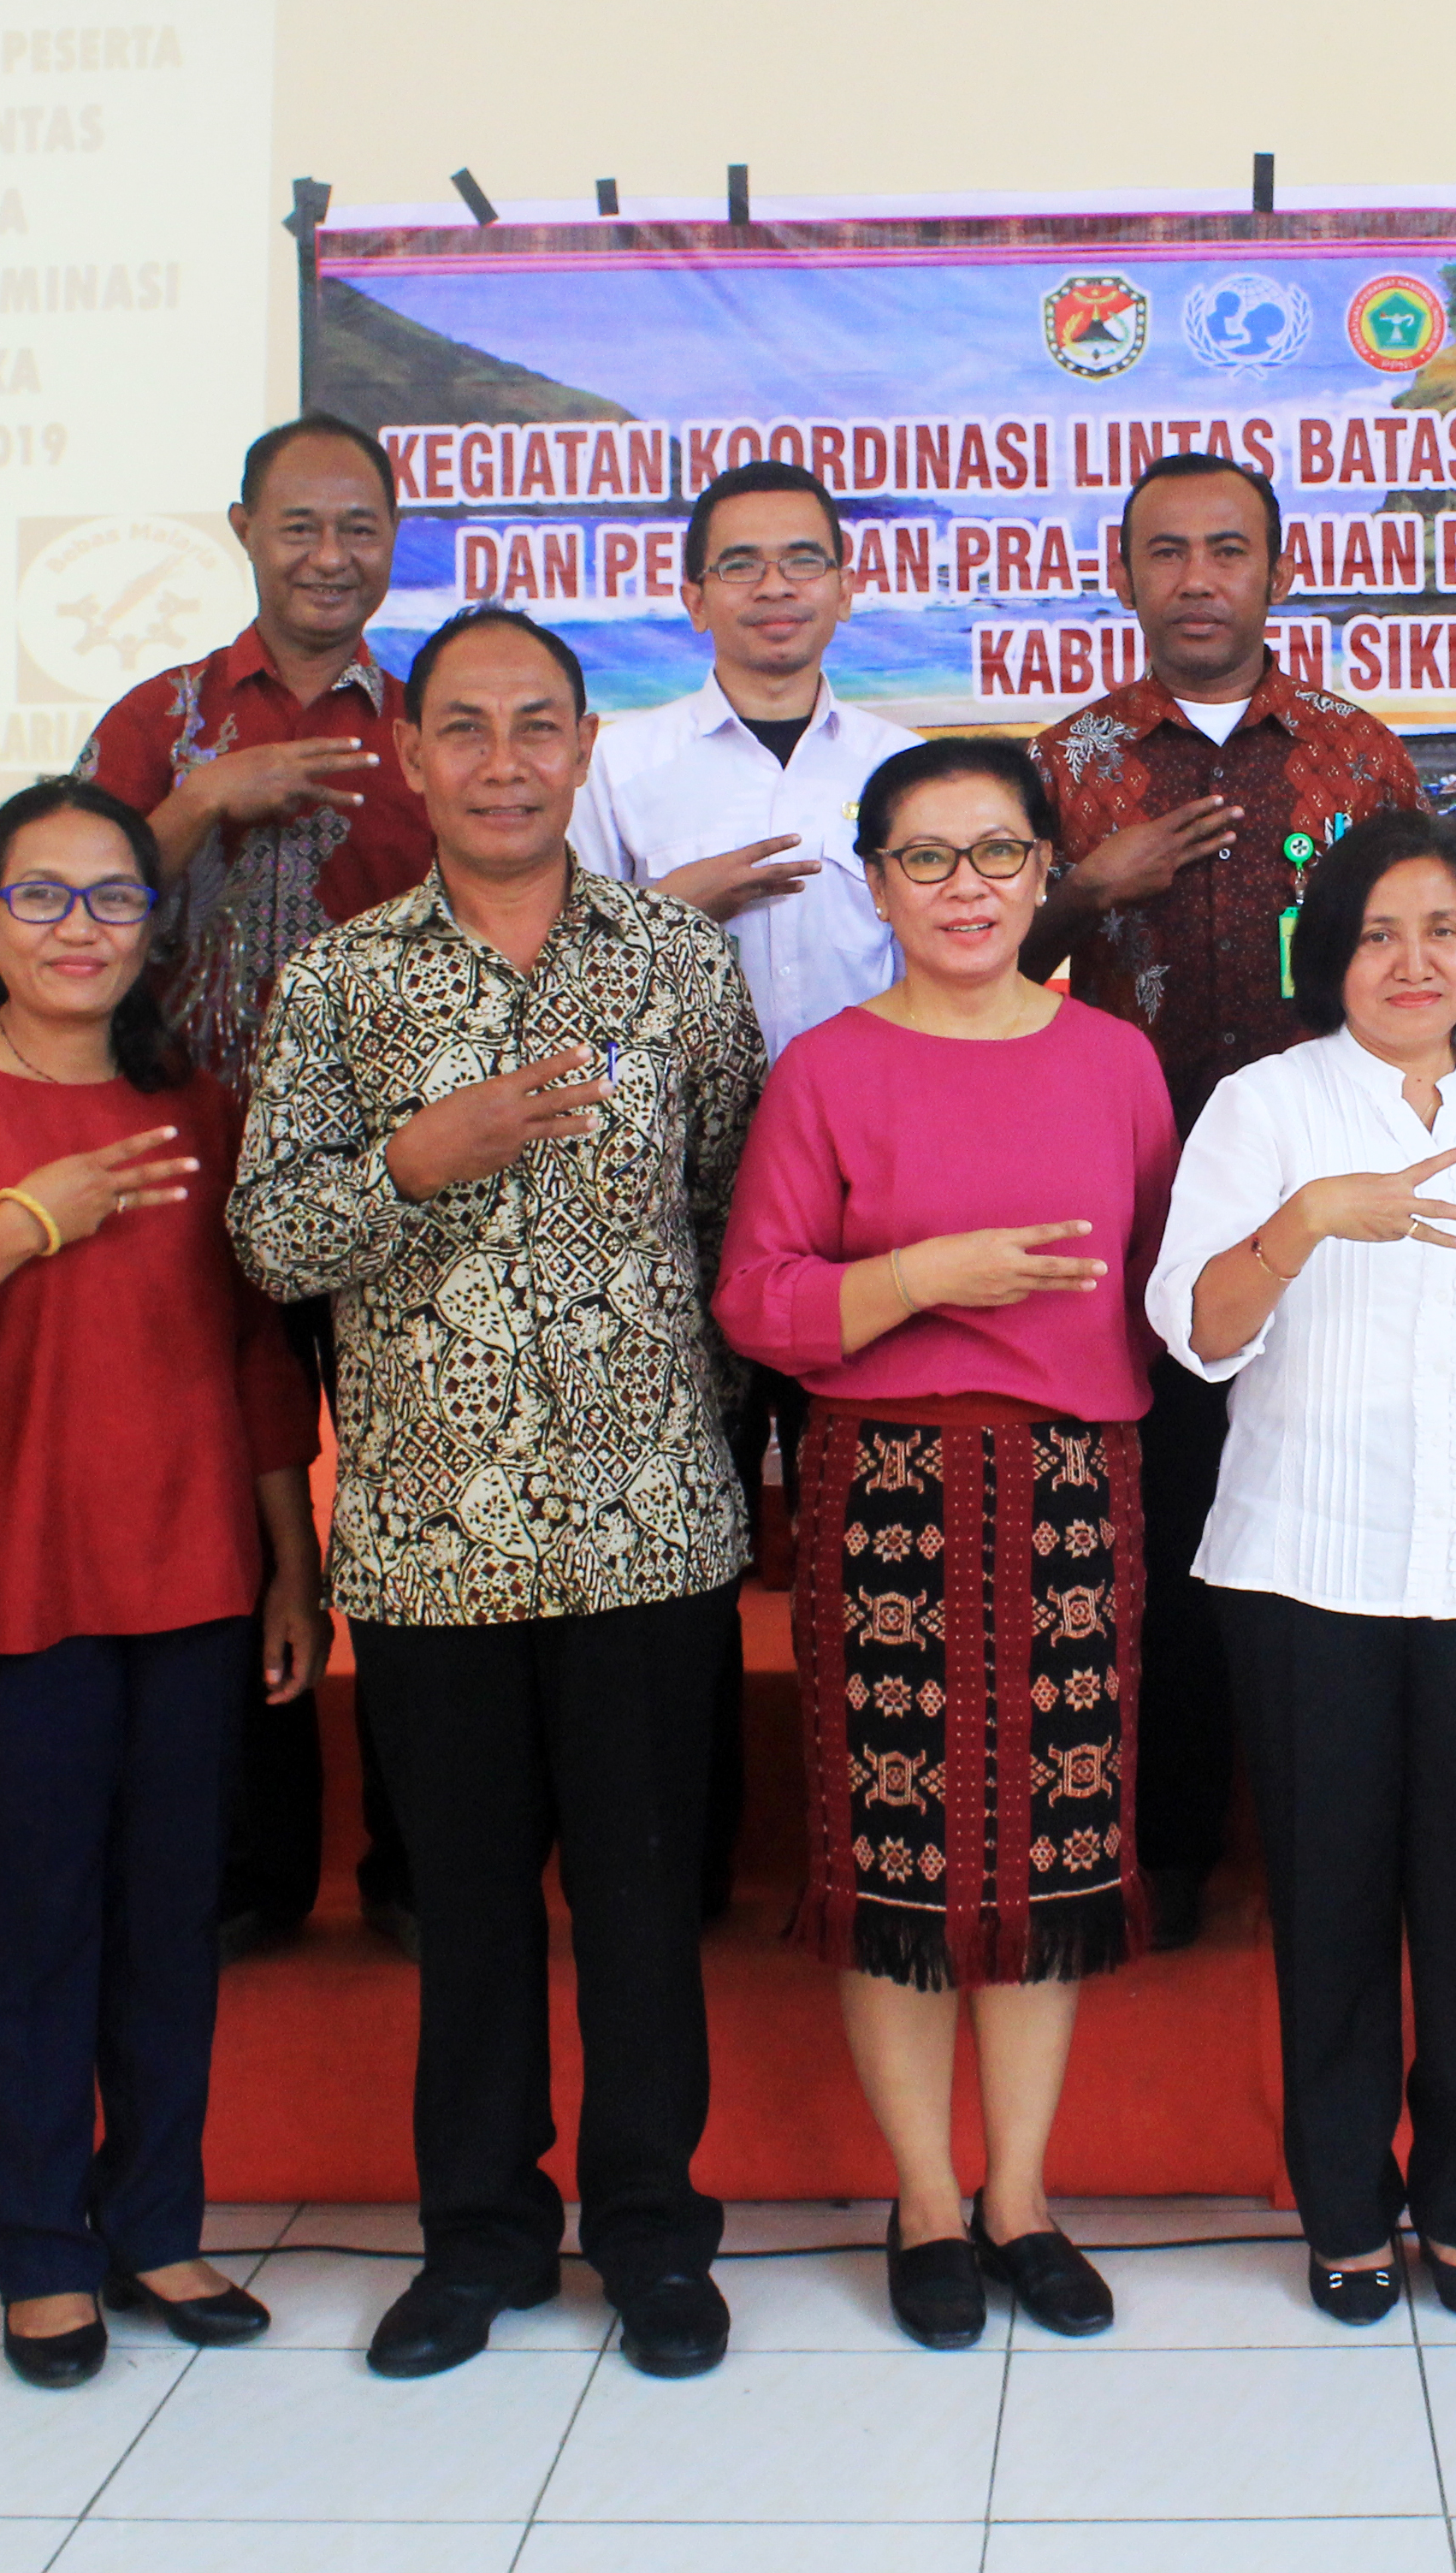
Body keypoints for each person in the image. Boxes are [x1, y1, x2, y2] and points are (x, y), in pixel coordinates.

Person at [228, 606, 762, 2384]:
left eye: (539, 725)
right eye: (467, 727)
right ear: (413, 754)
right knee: (465, 1922)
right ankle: (478, 2240)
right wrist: (409, 1160)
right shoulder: (343, 982)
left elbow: (732, 1217)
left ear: (589, 746)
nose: (506, 759)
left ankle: (653, 2239)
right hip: (429, 1538)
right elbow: (266, 1234)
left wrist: (709, 1442)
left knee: (638, 1906)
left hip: (648, 1531)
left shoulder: (680, 964)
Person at [0, 779, 321, 2388]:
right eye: (42, 897)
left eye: (112, 900)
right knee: (32, 1925)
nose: (79, 929)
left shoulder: (198, 1108)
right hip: (15, 1576)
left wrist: (288, 1562)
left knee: (172, 1918)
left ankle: (154, 2221)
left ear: (151, 929)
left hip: (192, 1575)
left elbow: (250, 1360)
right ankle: (37, 2249)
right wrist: (24, 1224)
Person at [1147, 811, 1456, 2325]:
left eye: (1441, 929)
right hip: (1311, 1568)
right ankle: (1348, 2211)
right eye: (1374, 933)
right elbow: (1199, 1330)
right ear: (1328, 955)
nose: (1411, 961)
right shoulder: (1262, 1108)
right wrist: (1305, 1223)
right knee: (1334, 1906)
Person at [716, 738, 1175, 2351]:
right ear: (873, 880)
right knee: (897, 1860)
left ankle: (1022, 2195)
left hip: (1069, 1492)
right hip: (883, 1486)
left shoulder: (1114, 1061)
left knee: (1047, 1854)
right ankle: (923, 2198)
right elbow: (756, 1301)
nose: (965, 887)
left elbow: (1158, 1286)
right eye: (926, 857)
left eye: (996, 854)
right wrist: (918, 1278)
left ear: (1046, 871)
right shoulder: (825, 1068)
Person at [1023, 449, 1425, 1950]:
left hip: (1327, 1205)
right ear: (1123, 574)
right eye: (1168, 552)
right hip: (1128, 1212)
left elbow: (1424, 972)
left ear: (1275, 569)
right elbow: (973, 966)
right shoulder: (1062, 768)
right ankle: (1172, 1842)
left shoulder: (1356, 754)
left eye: (1228, 550)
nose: (1198, 578)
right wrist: (1085, 889)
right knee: (1167, 1531)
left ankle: (1350, 1848)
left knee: (1334, 1504)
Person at [78, 409, 429, 1960]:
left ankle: (421, 1861)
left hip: (396, 1182)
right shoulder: (157, 722)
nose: (329, 556)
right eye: (300, 526)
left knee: (417, 1504)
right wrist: (197, 808)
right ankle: (245, 1865)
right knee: (224, 1510)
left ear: (392, 542)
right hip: (187, 1168)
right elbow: (63, 908)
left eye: (359, 528)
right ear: (241, 531)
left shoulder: (433, 726)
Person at [574, 458, 926, 1912]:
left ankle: (873, 1846)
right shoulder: (624, 765)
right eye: (742, 564)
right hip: (678, 1204)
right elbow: (561, 970)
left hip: (872, 1214)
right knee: (686, 1546)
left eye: (802, 560)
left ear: (848, 586)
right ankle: (692, 1858)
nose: (774, 588)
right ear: (691, 591)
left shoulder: (899, 763)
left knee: (870, 1543)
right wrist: (674, 910)